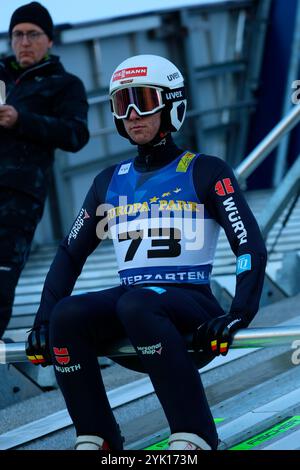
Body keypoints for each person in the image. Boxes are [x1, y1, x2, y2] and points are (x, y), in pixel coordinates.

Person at [26, 54, 267, 451]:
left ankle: (195, 436)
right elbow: (70, 253)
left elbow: (247, 241)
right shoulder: (110, 181)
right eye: (123, 104)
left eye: (144, 101)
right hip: (135, 306)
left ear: (172, 104)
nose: (134, 114)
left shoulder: (205, 170)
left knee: (137, 302)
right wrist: (42, 321)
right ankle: (97, 438)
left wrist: (240, 312)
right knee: (66, 314)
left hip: (190, 303)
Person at [0, 2, 89, 339]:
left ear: (49, 40)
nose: (24, 42)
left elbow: (76, 134)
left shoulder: (65, 85)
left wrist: (21, 119)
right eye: (17, 35)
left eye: (33, 34)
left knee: (2, 275)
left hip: (18, 199)